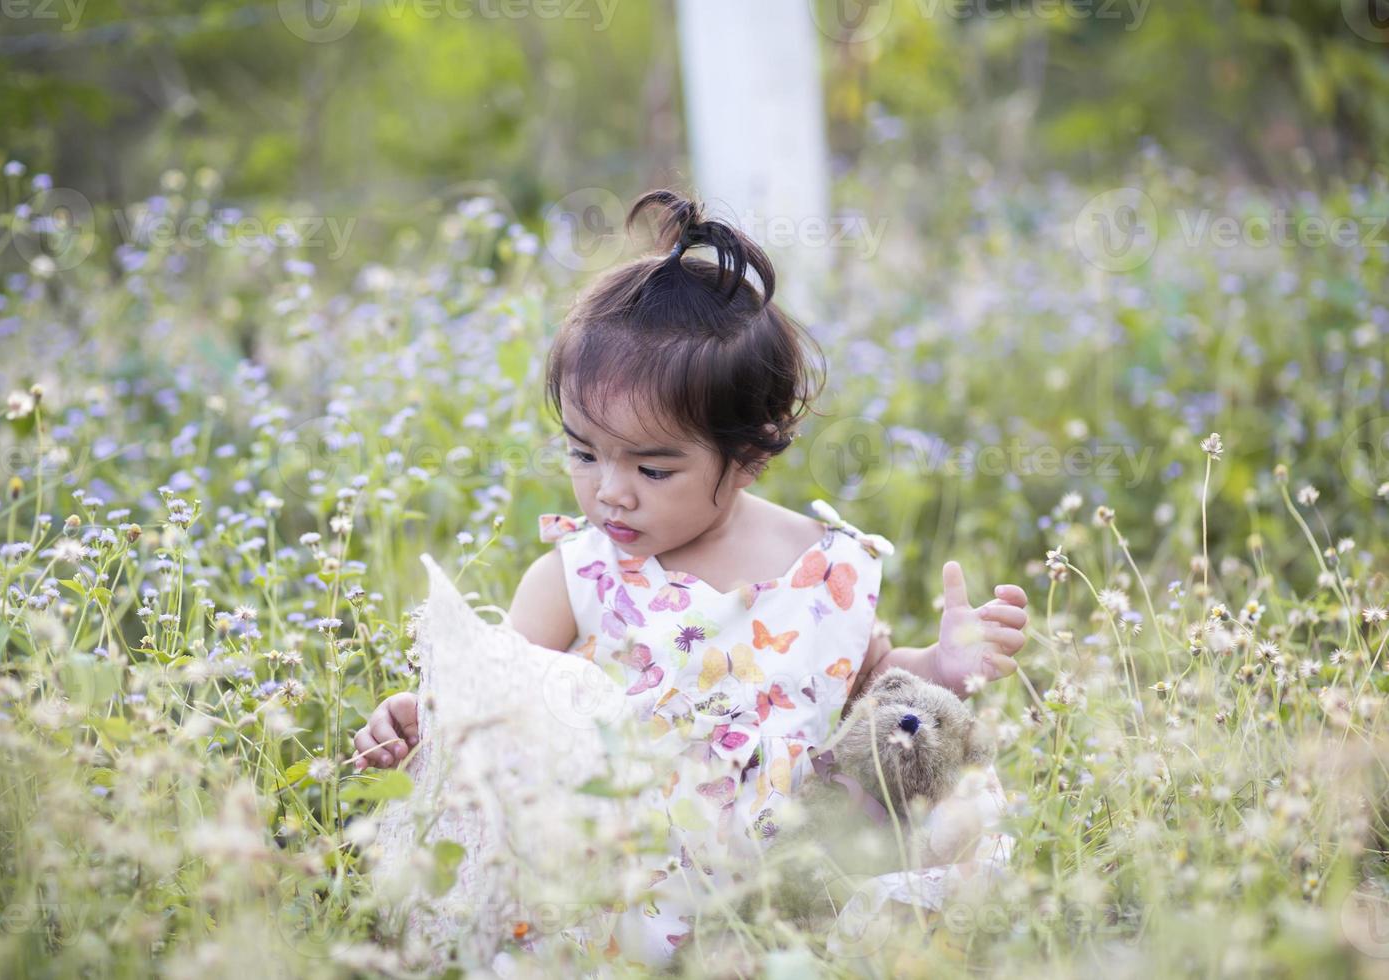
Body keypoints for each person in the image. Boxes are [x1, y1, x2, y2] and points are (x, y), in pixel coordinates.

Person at [353, 188, 1028, 967]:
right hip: (623, 884)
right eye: (583, 453)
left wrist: (938, 666)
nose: (610, 490)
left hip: (788, 882)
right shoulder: (575, 577)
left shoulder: (831, 568)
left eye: (652, 466)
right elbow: (506, 709)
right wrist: (422, 718)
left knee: (956, 827)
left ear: (748, 458)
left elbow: (862, 685)